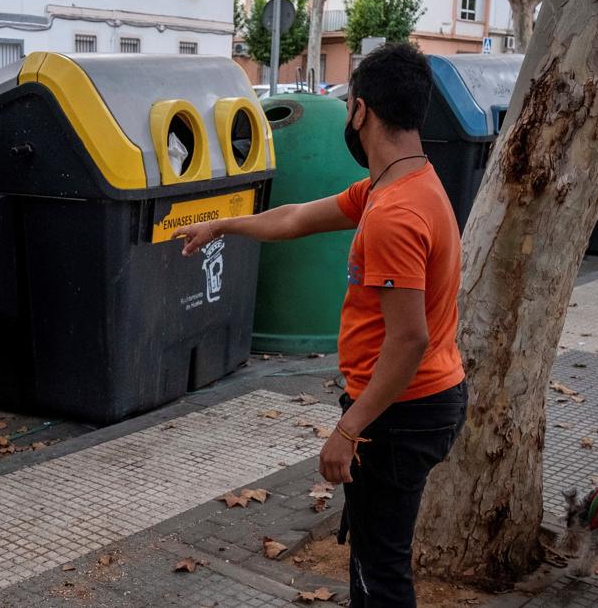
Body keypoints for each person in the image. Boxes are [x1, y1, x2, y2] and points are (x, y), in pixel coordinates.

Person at [173, 43, 467, 607]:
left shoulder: (396, 214)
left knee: (378, 575)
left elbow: (409, 341)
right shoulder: (403, 185)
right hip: (418, 401)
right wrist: (223, 224)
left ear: (360, 111)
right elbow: (297, 217)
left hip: (401, 413)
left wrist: (349, 429)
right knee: (379, 558)